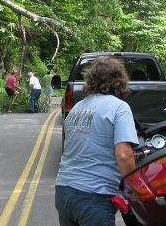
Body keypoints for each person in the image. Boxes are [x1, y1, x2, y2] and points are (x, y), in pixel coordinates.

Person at [55, 56, 138, 226]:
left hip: (63, 191)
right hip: (94, 195)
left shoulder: (77, 108)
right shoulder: (119, 108)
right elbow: (124, 155)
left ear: (91, 80)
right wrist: (135, 191)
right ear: (119, 81)